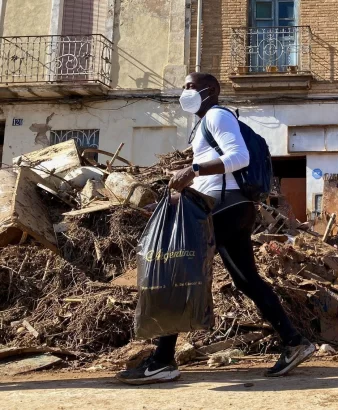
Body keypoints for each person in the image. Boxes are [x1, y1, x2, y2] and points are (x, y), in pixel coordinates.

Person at [116, 73, 315, 385]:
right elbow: (210, 174)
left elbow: (238, 157)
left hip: (225, 205)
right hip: (232, 208)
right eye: (183, 86)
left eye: (191, 86)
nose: (185, 91)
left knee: (178, 269)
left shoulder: (216, 115)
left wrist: (192, 169)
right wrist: (174, 198)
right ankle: (294, 342)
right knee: (247, 279)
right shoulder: (202, 125)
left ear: (211, 91)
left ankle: (163, 360)